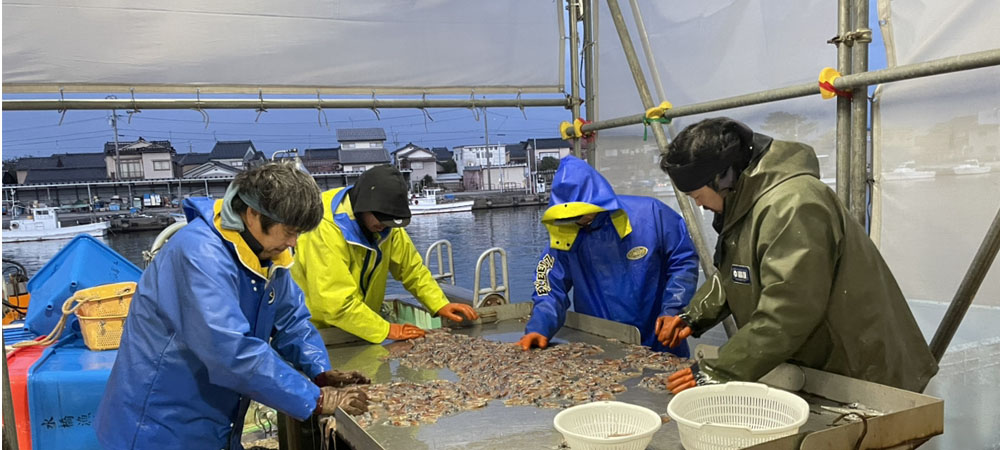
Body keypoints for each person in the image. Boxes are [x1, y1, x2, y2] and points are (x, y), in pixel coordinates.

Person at [96, 163, 370, 450]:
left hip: (213, 418)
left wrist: (320, 370)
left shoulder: (266, 252)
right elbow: (229, 351)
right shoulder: (200, 255)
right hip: (161, 422)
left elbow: (292, 321)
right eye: (289, 231)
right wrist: (318, 399)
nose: (294, 243)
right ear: (253, 214)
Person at [658, 117, 938, 394]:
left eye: (696, 194)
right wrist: (693, 315)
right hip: (821, 365)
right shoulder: (747, 202)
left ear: (722, 178)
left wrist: (719, 370)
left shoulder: (793, 204)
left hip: (862, 372)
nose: (698, 204)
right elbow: (737, 272)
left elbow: (789, 309)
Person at [517, 155, 699, 356]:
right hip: (599, 344)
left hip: (661, 336)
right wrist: (539, 327)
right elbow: (548, 285)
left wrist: (674, 308)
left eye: (581, 213)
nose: (577, 220)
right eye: (569, 216)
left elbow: (684, 261)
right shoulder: (565, 233)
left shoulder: (652, 214)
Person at [292, 165, 478, 343]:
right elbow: (334, 302)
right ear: (363, 206)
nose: (384, 225)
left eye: (390, 221)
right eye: (381, 219)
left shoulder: (386, 223)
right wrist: (387, 330)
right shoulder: (323, 226)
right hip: (316, 333)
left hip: (365, 327)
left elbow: (412, 269)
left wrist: (439, 304)